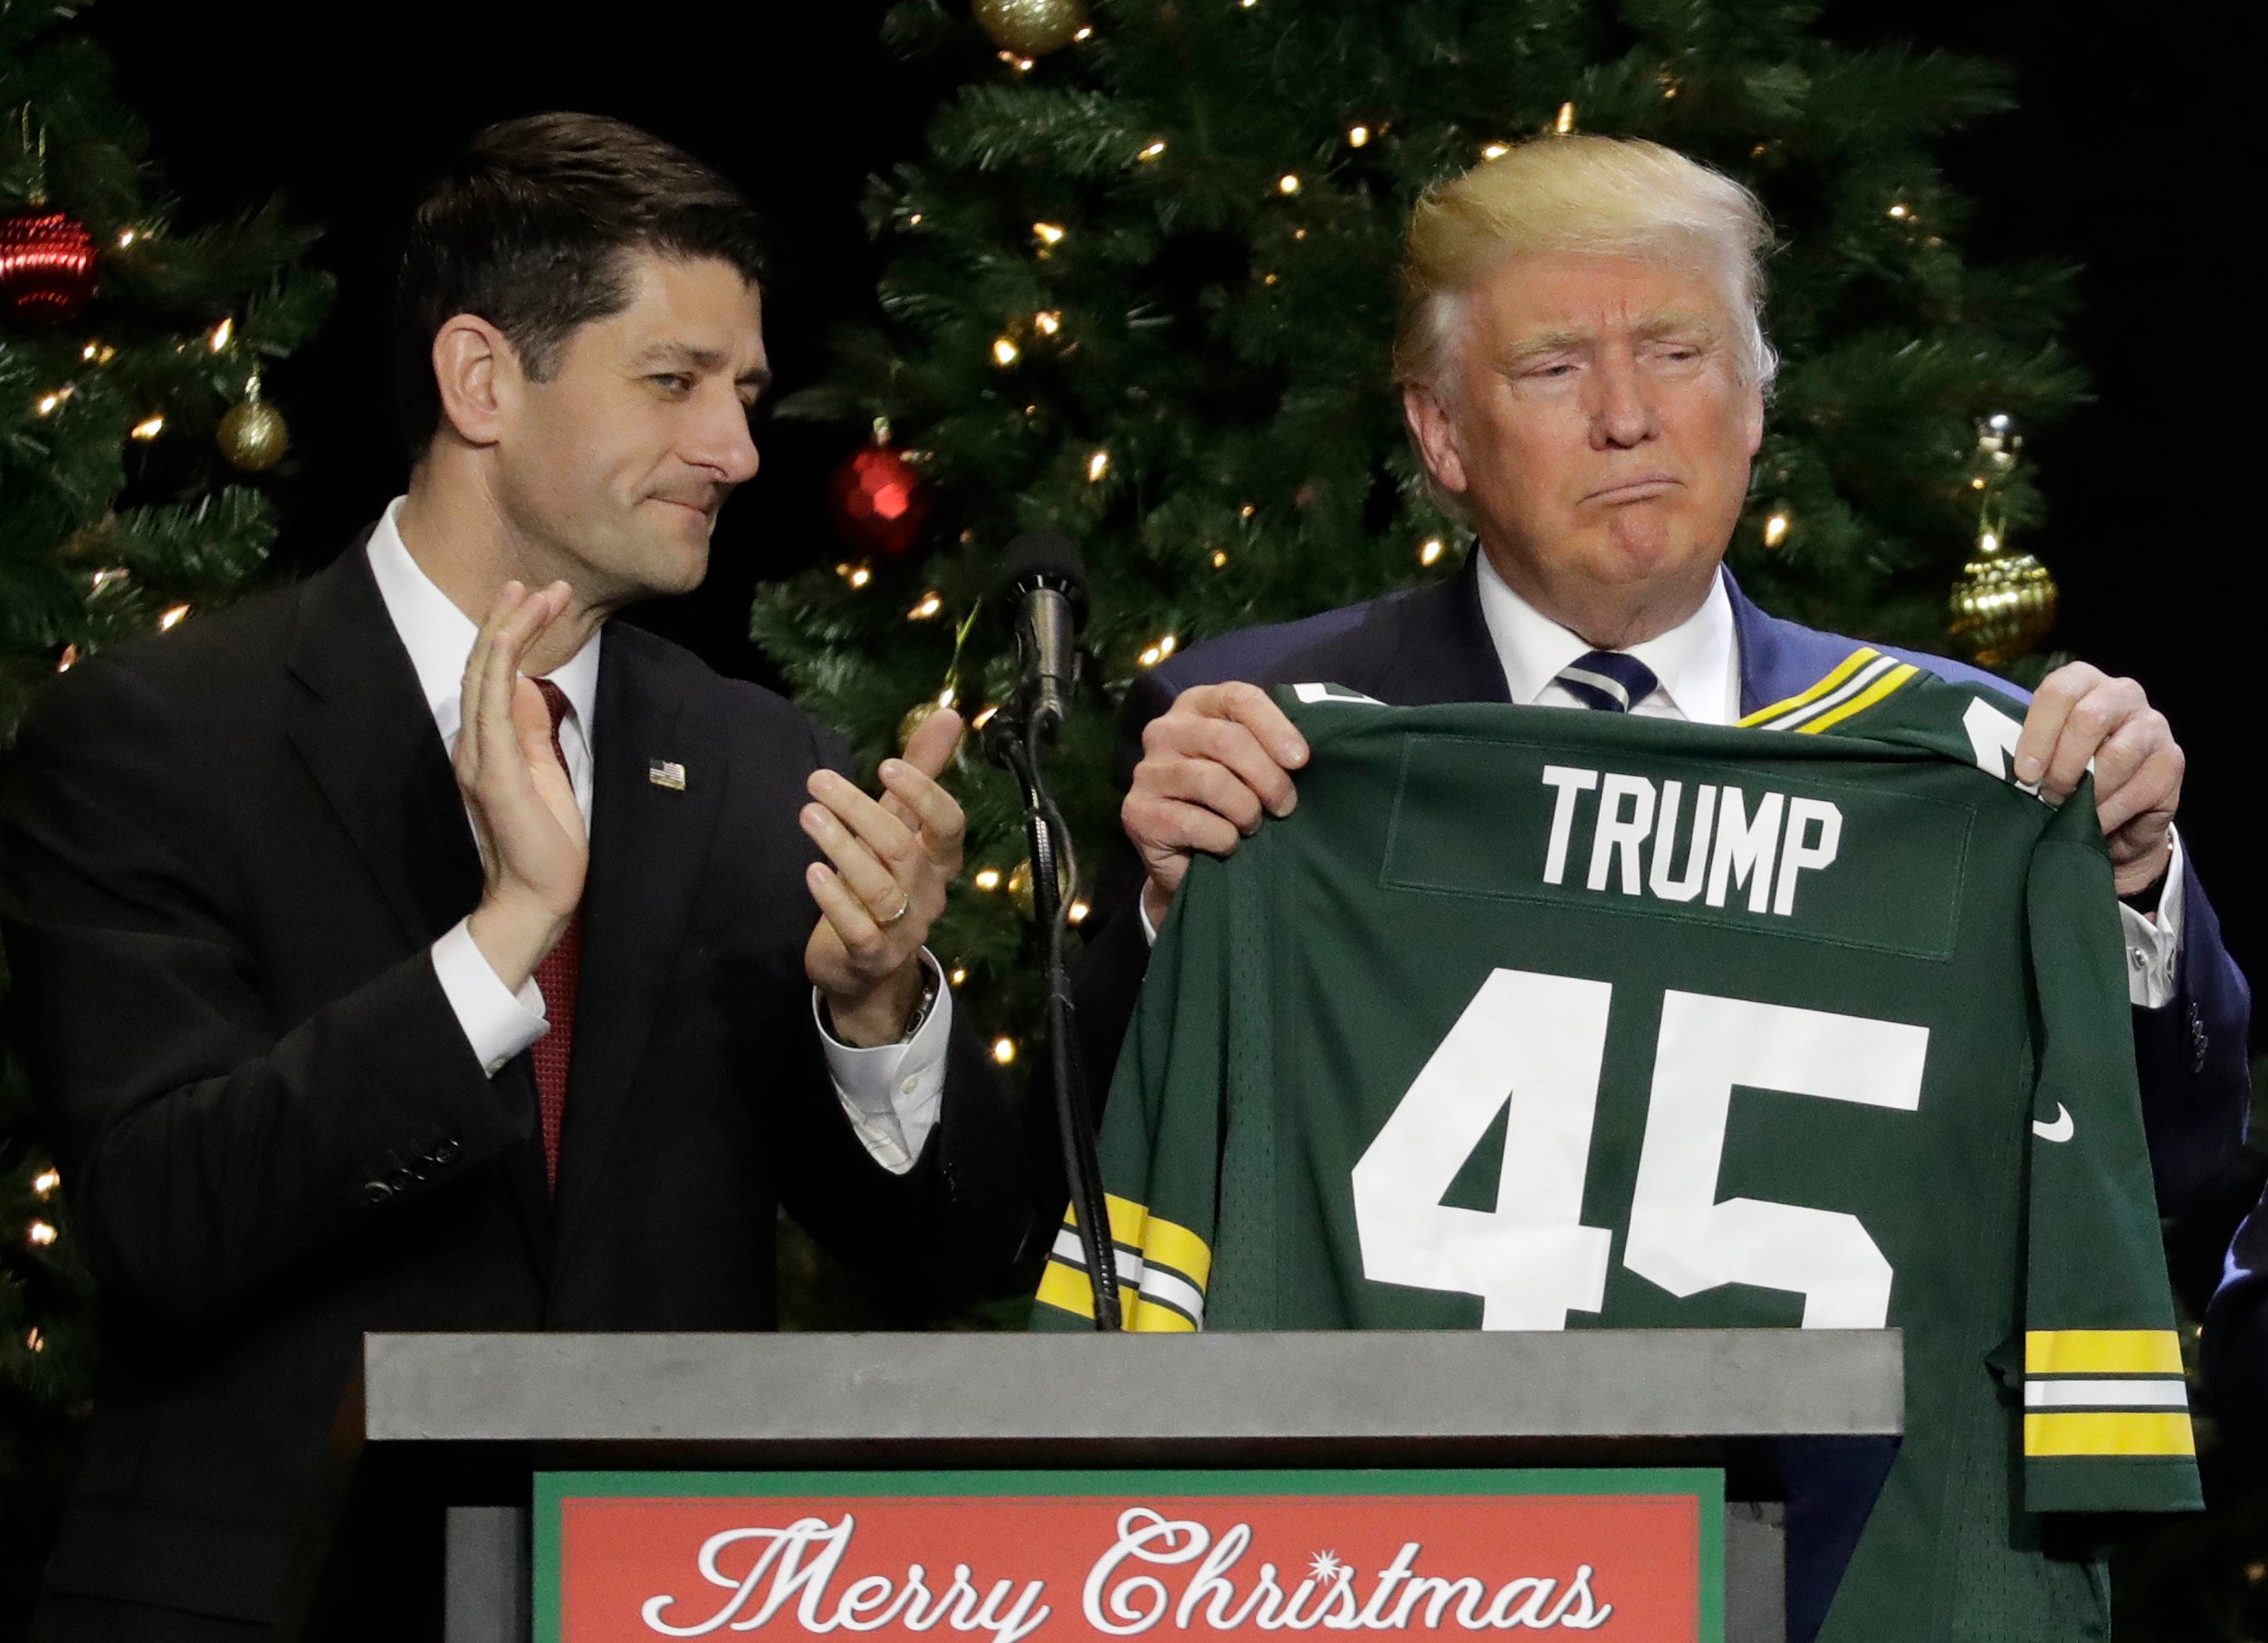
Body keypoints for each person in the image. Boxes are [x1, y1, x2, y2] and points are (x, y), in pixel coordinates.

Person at [1067, 135, 2250, 1635]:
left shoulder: (1974, 765)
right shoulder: (1268, 741)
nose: (1626, 415)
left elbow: (2182, 1170)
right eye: (1553, 367)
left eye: (1677, 352)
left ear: (1754, 399)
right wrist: (1171, 917)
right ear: (1440, 434)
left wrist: (2129, 887)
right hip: (1382, 1583)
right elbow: (1086, 1175)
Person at [0, 113, 1036, 1640]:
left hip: (652, 1606)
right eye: (674, 382)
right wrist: (505, 940)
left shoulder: (760, 764)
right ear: (481, 379)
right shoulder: (158, 735)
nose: (736, 451)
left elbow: (947, 1256)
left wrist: (878, 1014)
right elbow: (165, 1221)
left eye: (745, 394)